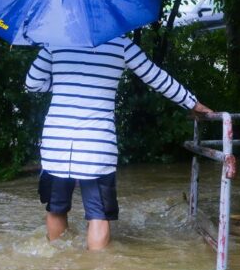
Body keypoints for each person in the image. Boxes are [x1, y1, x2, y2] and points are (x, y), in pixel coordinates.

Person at [25, 36, 212, 250]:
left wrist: (60, 84)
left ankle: (58, 268)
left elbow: (32, 84)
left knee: (56, 208)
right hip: (96, 143)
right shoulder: (120, 43)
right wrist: (192, 102)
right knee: (98, 214)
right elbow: (155, 76)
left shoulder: (55, 41)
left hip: (56, 141)